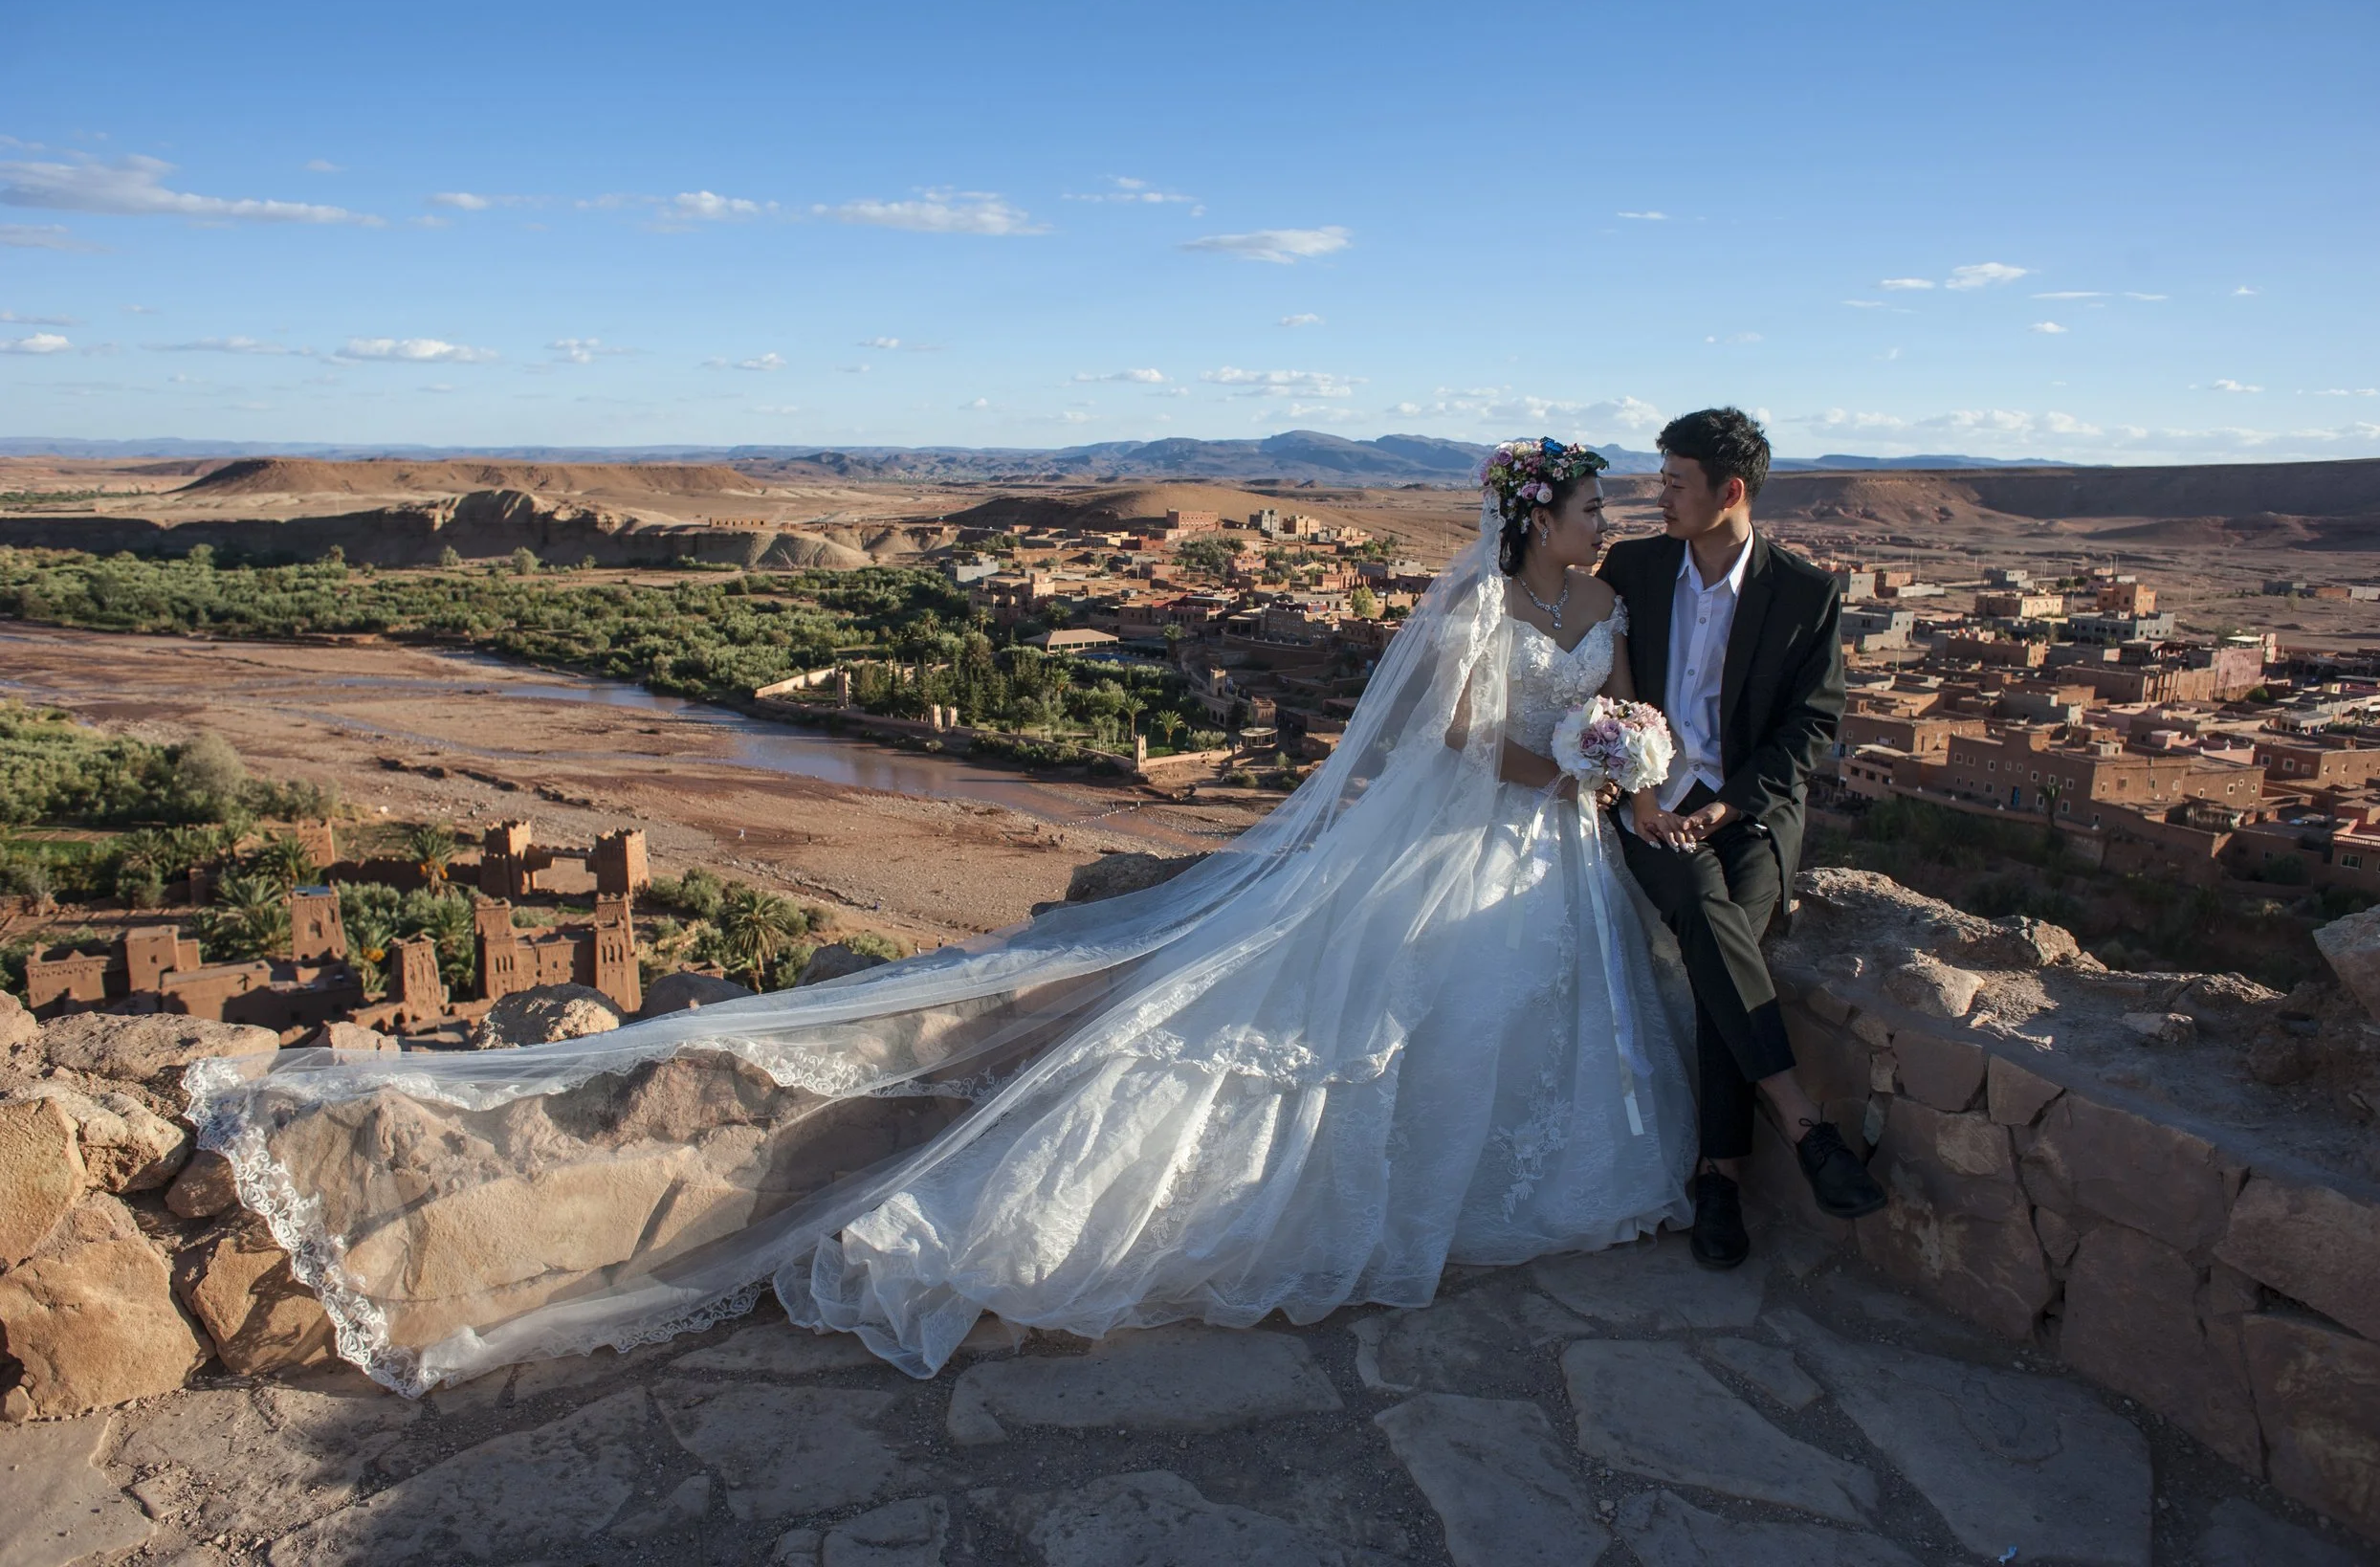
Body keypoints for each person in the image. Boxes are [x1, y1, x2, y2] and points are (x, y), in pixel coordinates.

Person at [185, 441, 1700, 1395]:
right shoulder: (1484, 614)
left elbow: (1623, 707)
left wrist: (1616, 751)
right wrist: (1560, 762)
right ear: (1530, 522)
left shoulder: (1608, 604)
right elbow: (1447, 746)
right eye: (1587, 505)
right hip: (1485, 835)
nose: (1604, 521)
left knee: (1510, 1023)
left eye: (1604, 508)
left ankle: (1538, 1188)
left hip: (1550, 862)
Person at [1599, 407, 1886, 1270]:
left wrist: (1725, 809)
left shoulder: (1804, 593)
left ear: (1730, 492)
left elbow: (1810, 729)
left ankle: (1718, 1178)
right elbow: (1606, 693)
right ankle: (1799, 1129)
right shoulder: (1637, 569)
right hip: (1650, 803)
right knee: (1698, 906)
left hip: (1747, 811)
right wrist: (1644, 793)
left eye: (1674, 483)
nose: (1659, 497)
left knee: (1728, 934)